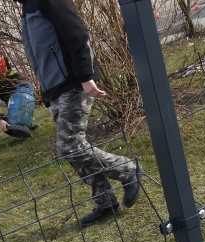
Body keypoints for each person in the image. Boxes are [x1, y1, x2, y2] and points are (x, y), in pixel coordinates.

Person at [16, 0, 142, 228]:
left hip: (74, 82)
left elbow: (76, 32)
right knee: (75, 151)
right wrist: (47, 95)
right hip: (56, 88)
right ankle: (105, 202)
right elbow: (39, 52)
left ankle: (127, 169)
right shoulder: (27, 5)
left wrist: (85, 76)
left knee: (70, 146)